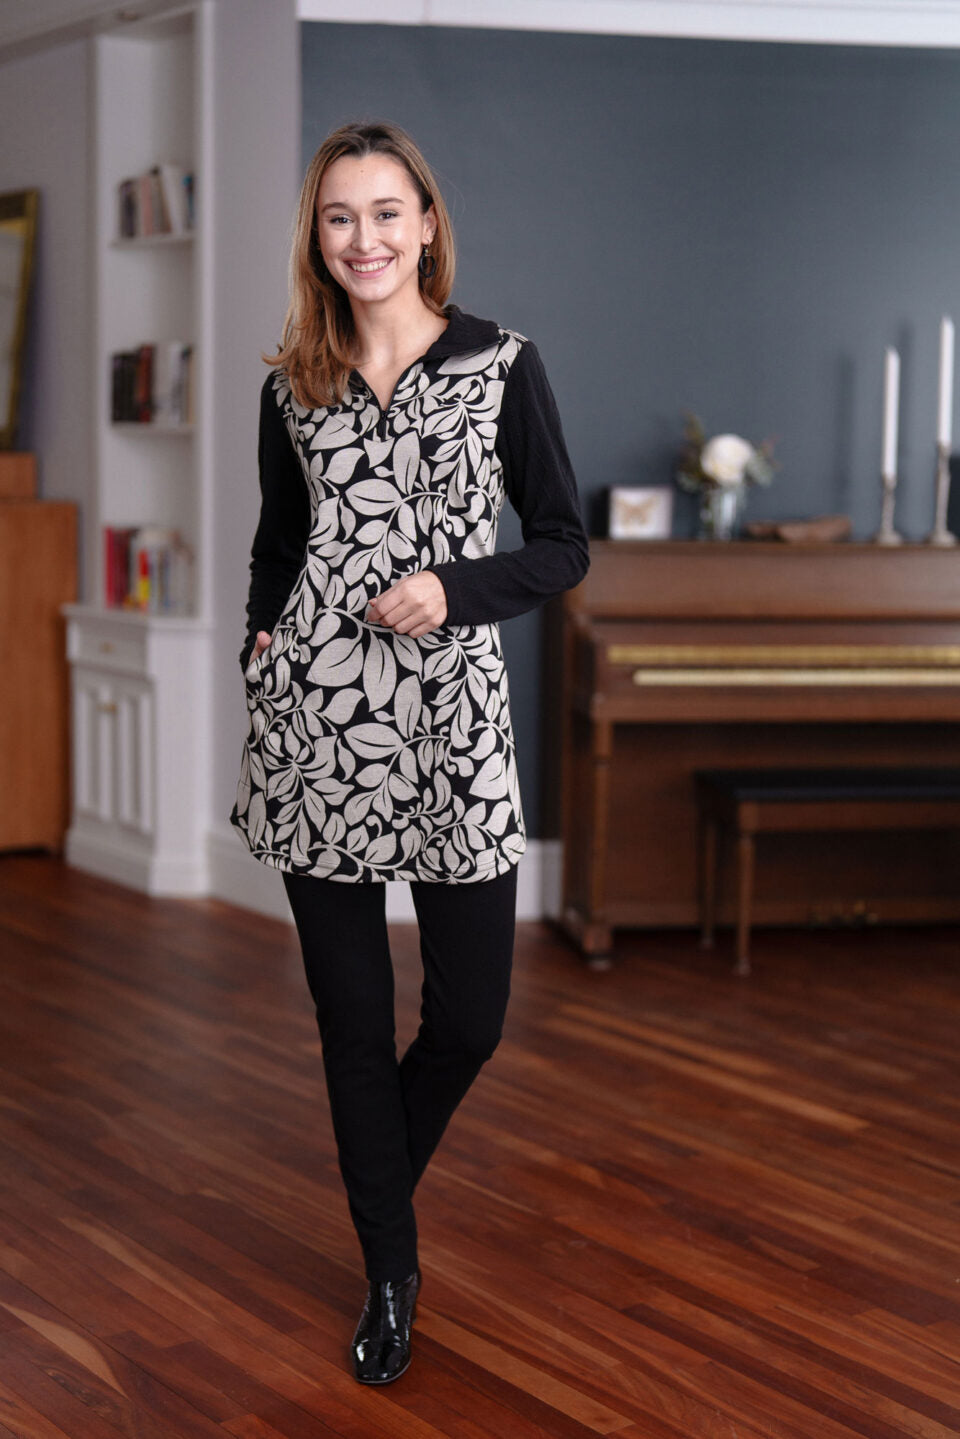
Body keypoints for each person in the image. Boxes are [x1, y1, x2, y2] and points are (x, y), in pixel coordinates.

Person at [230, 119, 589, 1386]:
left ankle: (376, 1184)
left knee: (470, 1018)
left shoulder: (503, 366)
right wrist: (260, 640)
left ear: (426, 224)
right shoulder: (292, 385)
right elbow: (280, 542)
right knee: (348, 1020)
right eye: (340, 217)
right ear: (317, 237)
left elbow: (562, 543)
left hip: (452, 730)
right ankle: (391, 1267)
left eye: (386, 212)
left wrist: (455, 587)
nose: (364, 238)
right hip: (316, 730)